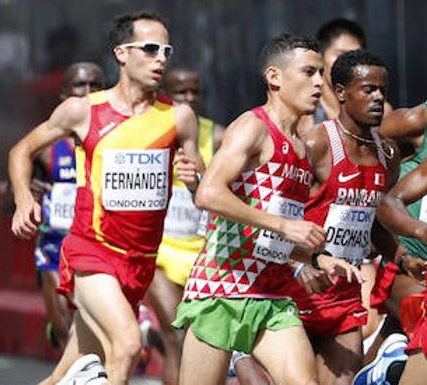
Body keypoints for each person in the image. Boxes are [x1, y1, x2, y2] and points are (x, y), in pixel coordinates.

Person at [9, 10, 203, 385]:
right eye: (149, 49)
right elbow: (21, 150)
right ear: (121, 53)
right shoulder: (83, 110)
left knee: (66, 372)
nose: (160, 58)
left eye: (166, 50)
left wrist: (194, 180)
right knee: (128, 345)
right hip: (92, 252)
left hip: (140, 262)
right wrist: (22, 199)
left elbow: (203, 188)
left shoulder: (179, 118)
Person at [172, 34, 361, 385]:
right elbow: (209, 194)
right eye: (308, 72)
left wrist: (317, 259)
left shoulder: (303, 149)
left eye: (321, 72)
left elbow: (271, 234)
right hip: (222, 288)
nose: (320, 81)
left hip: (272, 293)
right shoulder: (253, 127)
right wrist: (284, 226)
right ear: (275, 77)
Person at [286, 50, 400, 385]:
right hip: (295, 291)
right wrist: (301, 263)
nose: (379, 97)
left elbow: (374, 223)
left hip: (344, 296)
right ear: (340, 93)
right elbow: (276, 215)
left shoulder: (388, 153)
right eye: (368, 90)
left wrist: (402, 257)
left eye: (382, 89)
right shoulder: (315, 143)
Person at [144, 67, 228, 385]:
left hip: (203, 255)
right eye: (181, 93)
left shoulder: (216, 136)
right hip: (161, 253)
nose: (190, 98)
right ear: (165, 94)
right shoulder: (149, 133)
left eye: (195, 91)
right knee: (175, 335)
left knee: (202, 342)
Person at [26, 62, 104, 349]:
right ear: (64, 95)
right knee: (65, 331)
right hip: (54, 248)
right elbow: (11, 200)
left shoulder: (113, 141)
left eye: (95, 85)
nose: (87, 92)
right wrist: (26, 194)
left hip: (96, 247)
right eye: (80, 85)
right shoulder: (47, 145)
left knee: (93, 337)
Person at [375, 147, 427, 385]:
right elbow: (388, 203)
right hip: (413, 270)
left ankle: (385, 368)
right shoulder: (416, 119)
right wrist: (420, 230)